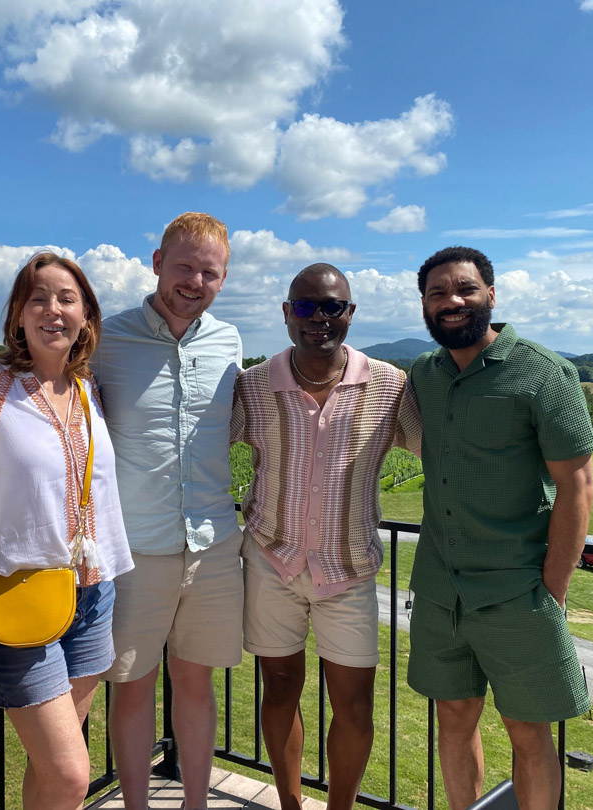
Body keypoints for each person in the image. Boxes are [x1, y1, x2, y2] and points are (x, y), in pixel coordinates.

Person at [406, 246, 593, 810]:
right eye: (438, 293)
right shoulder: (424, 374)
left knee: (528, 731)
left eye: (465, 288)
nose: (452, 301)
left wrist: (553, 588)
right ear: (424, 305)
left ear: (491, 294)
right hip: (440, 589)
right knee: (453, 716)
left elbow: (578, 486)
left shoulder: (544, 372)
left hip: (517, 588)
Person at [231, 263, 421, 810]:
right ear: (286, 314)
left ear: (350, 313)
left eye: (332, 306)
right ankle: (290, 803)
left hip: (349, 567)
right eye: (306, 306)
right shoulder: (254, 385)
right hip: (272, 559)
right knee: (279, 689)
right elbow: (202, 446)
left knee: (355, 706)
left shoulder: (389, 386)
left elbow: (438, 448)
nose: (319, 318)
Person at [0, 252, 133, 809]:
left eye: (67, 299)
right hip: (20, 595)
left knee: (53, 770)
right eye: (38, 298)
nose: (53, 309)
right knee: (71, 774)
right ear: (17, 313)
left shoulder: (87, 390)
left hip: (93, 594)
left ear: (86, 316)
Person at [92, 212, 242, 810]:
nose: (195, 282)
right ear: (157, 262)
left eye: (210, 273)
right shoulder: (106, 339)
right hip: (135, 548)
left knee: (197, 685)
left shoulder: (229, 343)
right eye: (184, 266)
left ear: (223, 278)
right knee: (132, 688)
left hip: (213, 545)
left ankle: (195, 804)